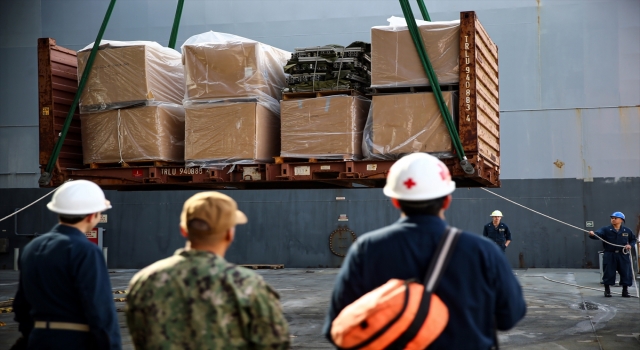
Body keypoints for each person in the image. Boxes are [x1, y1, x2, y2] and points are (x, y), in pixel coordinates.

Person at [323, 153, 526, 349]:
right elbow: (510, 315)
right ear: (447, 200)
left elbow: (337, 327)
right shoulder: (483, 251)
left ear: (395, 200)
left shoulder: (366, 249)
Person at [125, 192, 290, 349]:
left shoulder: (144, 282)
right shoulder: (248, 285)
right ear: (229, 234)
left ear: (183, 230)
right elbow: (275, 343)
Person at [12, 180, 121, 350]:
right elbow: (100, 311)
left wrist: (33, 335)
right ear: (92, 215)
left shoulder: (31, 248)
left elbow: (21, 305)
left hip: (37, 340)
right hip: (75, 342)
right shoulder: (86, 251)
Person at [589, 212, 637, 297]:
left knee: (625, 272)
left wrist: (630, 245)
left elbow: (633, 240)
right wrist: (592, 234)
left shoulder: (627, 231)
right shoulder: (606, 230)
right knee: (608, 272)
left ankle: (625, 291)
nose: (613, 219)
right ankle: (607, 290)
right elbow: (597, 234)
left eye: (615, 218)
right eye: (612, 218)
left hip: (623, 254)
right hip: (610, 254)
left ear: (621, 220)